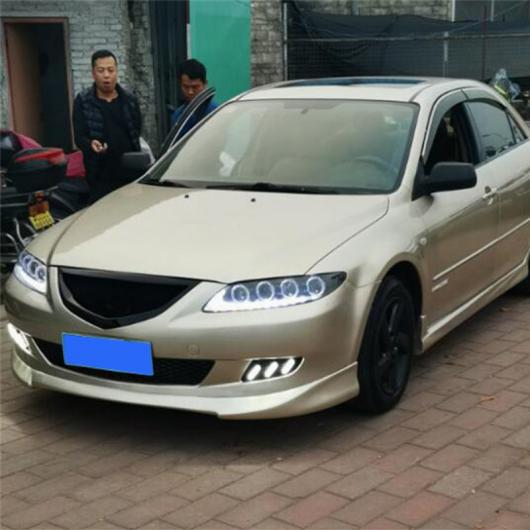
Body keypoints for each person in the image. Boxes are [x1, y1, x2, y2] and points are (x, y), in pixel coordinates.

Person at [73, 49, 142, 203]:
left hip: (130, 174)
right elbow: (79, 137)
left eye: (110, 70)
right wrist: (91, 144)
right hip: (100, 176)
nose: (106, 75)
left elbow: (136, 131)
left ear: (116, 71)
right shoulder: (83, 101)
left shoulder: (130, 100)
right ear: (93, 74)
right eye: (101, 70)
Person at [170, 59, 218, 135]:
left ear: (205, 84)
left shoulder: (215, 113)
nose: (190, 92)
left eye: (195, 87)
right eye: (186, 87)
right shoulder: (177, 116)